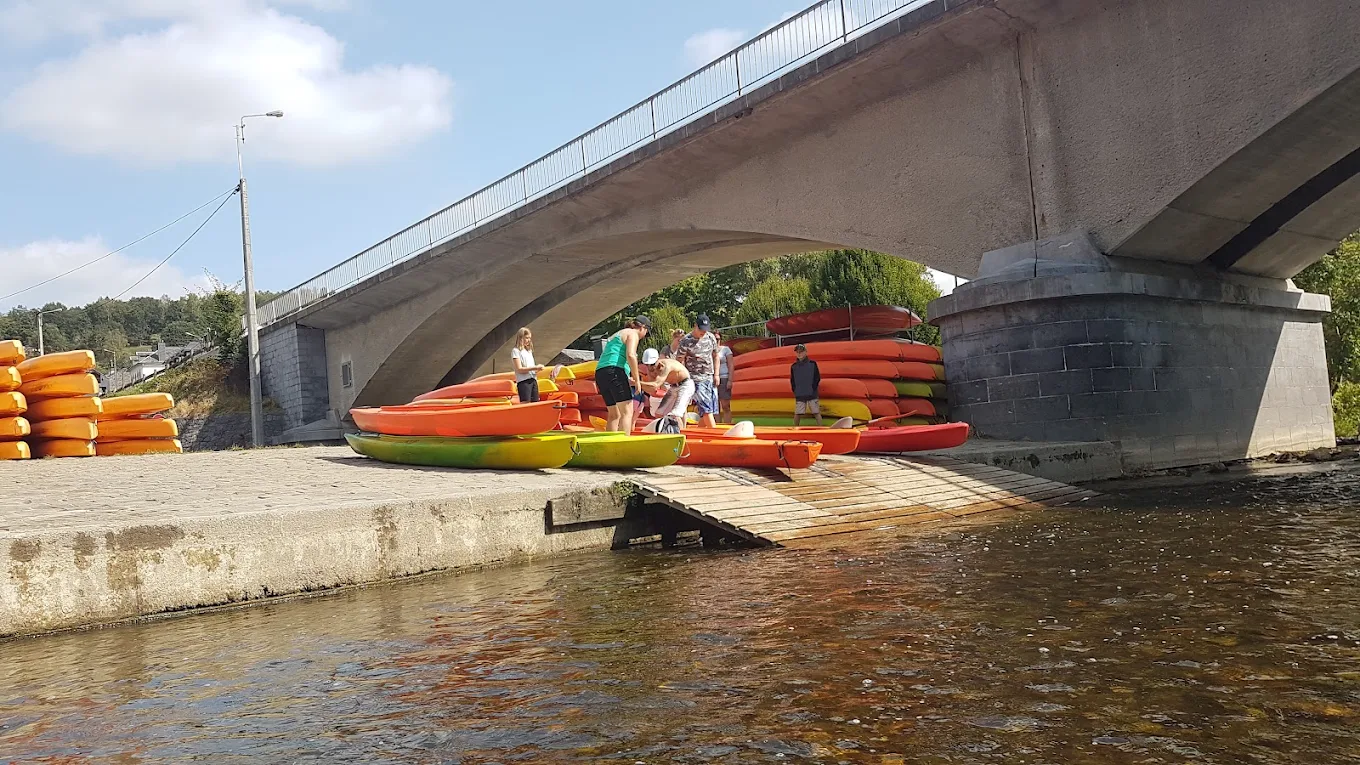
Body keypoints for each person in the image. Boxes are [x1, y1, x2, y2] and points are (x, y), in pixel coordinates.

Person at [596, 316, 651, 433]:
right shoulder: (633, 333)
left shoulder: (619, 333)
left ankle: (610, 441)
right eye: (646, 333)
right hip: (615, 371)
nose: (644, 337)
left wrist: (626, 377)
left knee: (614, 414)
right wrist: (637, 380)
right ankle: (624, 441)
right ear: (643, 328)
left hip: (601, 372)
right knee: (627, 412)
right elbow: (631, 355)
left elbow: (614, 355)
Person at [676, 313, 721, 428]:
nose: (703, 332)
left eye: (705, 329)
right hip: (695, 378)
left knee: (711, 409)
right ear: (695, 326)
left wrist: (716, 374)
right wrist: (683, 380)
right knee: (706, 410)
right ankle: (714, 433)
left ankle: (700, 432)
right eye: (701, 329)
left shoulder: (710, 337)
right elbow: (679, 361)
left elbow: (716, 356)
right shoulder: (686, 341)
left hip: (709, 377)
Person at [638, 347, 694, 432]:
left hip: (685, 385)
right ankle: (667, 431)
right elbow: (652, 390)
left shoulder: (666, 366)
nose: (650, 367)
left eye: (652, 364)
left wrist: (636, 383)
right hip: (673, 387)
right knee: (659, 413)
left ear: (658, 360)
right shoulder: (651, 369)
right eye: (647, 364)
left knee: (676, 414)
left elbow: (655, 385)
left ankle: (681, 434)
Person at [790, 343, 822, 426]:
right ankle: (795, 430)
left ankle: (822, 429)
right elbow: (792, 380)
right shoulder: (794, 366)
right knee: (798, 413)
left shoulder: (812, 364)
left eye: (801, 351)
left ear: (805, 352)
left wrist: (813, 388)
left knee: (816, 412)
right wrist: (795, 390)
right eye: (797, 352)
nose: (799, 354)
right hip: (800, 393)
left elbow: (817, 377)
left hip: (812, 393)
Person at [510, 327, 543, 403]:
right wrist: (534, 367)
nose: (529, 340)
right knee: (526, 403)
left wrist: (537, 369)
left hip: (533, 379)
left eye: (529, 338)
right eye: (527, 338)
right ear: (521, 338)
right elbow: (519, 369)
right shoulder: (516, 351)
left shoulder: (529, 351)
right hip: (524, 382)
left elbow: (531, 368)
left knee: (535, 403)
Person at [714, 331, 734, 424]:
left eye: (718, 339)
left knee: (725, 405)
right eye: (714, 339)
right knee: (715, 407)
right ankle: (717, 426)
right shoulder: (708, 350)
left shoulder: (725, 349)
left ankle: (727, 424)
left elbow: (731, 365)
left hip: (724, 377)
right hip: (711, 379)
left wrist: (730, 380)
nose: (716, 341)